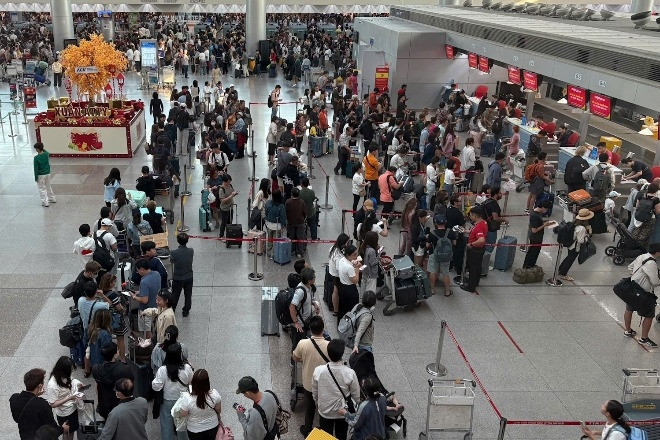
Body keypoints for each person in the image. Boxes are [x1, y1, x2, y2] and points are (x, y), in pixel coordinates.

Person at [312, 339, 360, 440]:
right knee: (341, 435)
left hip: (325, 410)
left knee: (325, 437)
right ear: (341, 354)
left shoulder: (318, 370)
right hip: (342, 412)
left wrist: (317, 402)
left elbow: (315, 391)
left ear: (328, 353)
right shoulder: (350, 373)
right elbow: (356, 395)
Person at [292, 315, 330, 437]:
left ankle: (307, 428)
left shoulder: (303, 343)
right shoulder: (329, 345)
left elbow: (295, 357)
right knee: (323, 407)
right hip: (324, 383)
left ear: (310, 329)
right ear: (323, 329)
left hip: (308, 383)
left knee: (310, 406)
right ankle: (323, 430)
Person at [10, 368, 69, 439]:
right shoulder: (42, 404)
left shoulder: (14, 398)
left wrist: (36, 395)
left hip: (24, 435)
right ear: (40, 386)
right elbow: (51, 429)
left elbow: (17, 418)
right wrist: (63, 429)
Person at [152, 343, 194, 440]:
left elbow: (156, 387)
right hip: (182, 401)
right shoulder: (187, 368)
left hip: (167, 400)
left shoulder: (162, 370)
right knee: (181, 425)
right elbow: (191, 382)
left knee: (166, 424)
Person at [622, 244, 660, 348]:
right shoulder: (651, 263)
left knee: (629, 309)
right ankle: (644, 339)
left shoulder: (642, 256)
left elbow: (630, 267)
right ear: (657, 253)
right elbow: (655, 282)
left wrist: (636, 278)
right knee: (649, 315)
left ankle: (628, 331)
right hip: (644, 293)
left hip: (632, 289)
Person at [92, 342, 134, 420]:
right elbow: (130, 386)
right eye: (117, 349)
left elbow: (97, 386)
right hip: (120, 407)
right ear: (115, 354)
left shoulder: (96, 369)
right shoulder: (125, 369)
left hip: (104, 407)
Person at [44, 357, 81, 440]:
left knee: (71, 432)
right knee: (67, 433)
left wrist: (77, 384)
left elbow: (71, 381)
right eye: (70, 371)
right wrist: (68, 398)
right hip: (65, 413)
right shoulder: (52, 385)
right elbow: (52, 404)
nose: (71, 372)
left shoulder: (64, 376)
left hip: (72, 408)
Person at [558, 209, 593, 282]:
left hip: (570, 245)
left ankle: (561, 269)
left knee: (568, 257)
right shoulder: (582, 228)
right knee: (570, 260)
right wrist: (586, 237)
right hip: (575, 247)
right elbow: (580, 240)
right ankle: (563, 274)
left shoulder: (574, 223)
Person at [130, 259, 161, 340]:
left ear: (142, 269)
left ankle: (149, 347)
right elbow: (153, 288)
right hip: (156, 306)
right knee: (154, 327)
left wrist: (134, 296)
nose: (138, 273)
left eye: (138, 271)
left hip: (146, 310)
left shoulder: (144, 281)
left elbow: (144, 300)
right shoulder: (157, 274)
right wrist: (139, 292)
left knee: (147, 332)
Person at [290, 267, 320, 351]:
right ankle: (293, 361)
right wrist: (296, 323)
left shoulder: (309, 287)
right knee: (297, 345)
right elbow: (292, 306)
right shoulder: (300, 291)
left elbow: (307, 299)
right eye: (313, 277)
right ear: (309, 280)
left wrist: (314, 304)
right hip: (300, 324)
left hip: (306, 322)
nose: (315, 277)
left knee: (304, 343)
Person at [427, 214, 456, 297]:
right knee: (445, 273)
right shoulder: (450, 232)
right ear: (445, 222)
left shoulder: (432, 233)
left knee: (432, 272)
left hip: (434, 255)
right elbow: (454, 243)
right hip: (446, 256)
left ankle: (432, 289)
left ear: (435, 223)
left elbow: (427, 245)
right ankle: (447, 291)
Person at [460, 206, 487, 293]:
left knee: (473, 268)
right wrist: (467, 231)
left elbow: (481, 240)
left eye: (471, 215)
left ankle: (471, 287)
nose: (470, 217)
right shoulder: (483, 223)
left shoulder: (479, 227)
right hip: (480, 250)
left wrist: (471, 244)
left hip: (475, 250)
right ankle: (475, 282)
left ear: (475, 216)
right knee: (477, 267)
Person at [522, 200, 554, 269]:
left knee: (535, 253)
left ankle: (531, 265)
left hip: (537, 237)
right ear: (542, 207)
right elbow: (534, 230)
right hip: (535, 238)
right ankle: (528, 266)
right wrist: (544, 225)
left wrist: (544, 222)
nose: (546, 211)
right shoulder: (534, 215)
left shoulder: (537, 213)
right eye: (546, 209)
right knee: (532, 253)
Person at [171, 232, 194, 316]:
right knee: (188, 294)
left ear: (177, 241)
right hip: (189, 276)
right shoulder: (191, 250)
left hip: (178, 277)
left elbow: (172, 261)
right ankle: (186, 311)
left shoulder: (173, 253)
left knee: (175, 295)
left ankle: (172, 309)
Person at [286, 187, 308, 258]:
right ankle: (299, 252)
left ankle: (290, 250)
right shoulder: (301, 202)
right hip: (300, 222)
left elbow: (286, 211)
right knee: (300, 237)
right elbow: (305, 212)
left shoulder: (288, 202)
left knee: (291, 237)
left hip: (291, 222)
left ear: (291, 194)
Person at [33, 142, 56, 207]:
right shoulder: (46, 154)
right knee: (48, 186)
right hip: (47, 173)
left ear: (37, 149)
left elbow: (36, 168)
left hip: (40, 175)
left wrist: (36, 177)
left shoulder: (36, 158)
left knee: (41, 188)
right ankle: (52, 198)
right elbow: (45, 151)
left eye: (36, 149)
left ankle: (45, 202)